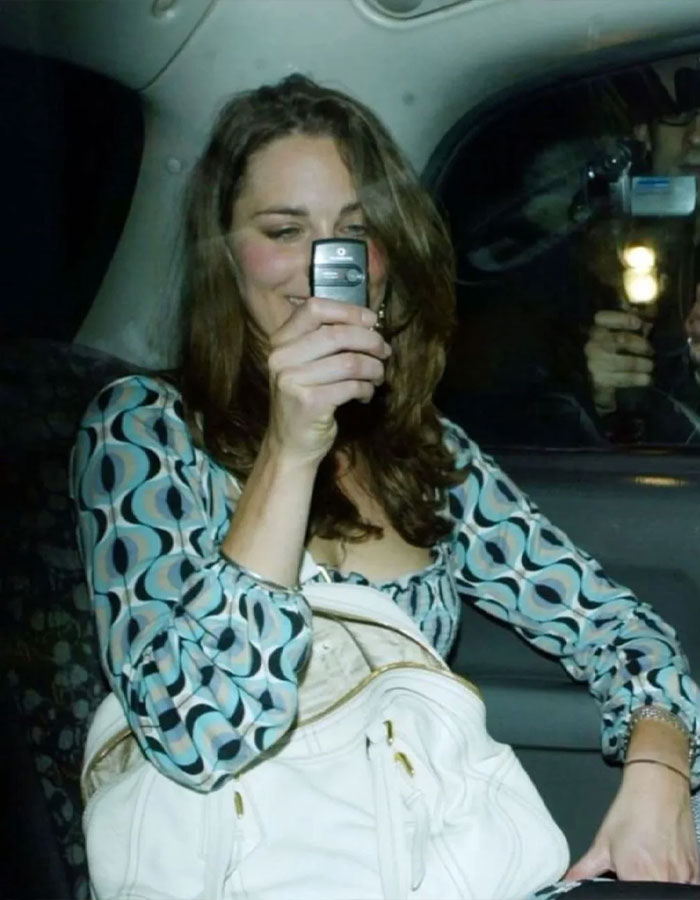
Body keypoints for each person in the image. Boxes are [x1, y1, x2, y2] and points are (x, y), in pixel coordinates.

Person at [71, 74, 700, 897]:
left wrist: (660, 775)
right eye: (283, 229)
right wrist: (290, 454)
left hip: (430, 858)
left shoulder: (425, 450)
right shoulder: (142, 430)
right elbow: (199, 736)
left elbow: (623, 632)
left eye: (354, 231)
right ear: (226, 253)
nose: (322, 265)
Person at [584, 57, 700, 440]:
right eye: (679, 115)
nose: (697, 136)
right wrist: (606, 399)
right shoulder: (595, 258)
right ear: (644, 134)